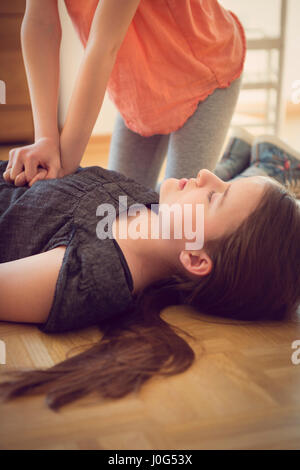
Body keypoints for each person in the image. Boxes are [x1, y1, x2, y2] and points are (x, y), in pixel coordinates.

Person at [0, 133, 300, 411]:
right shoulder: (149, 202)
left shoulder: (89, 274)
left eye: (215, 197)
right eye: (224, 181)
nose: (207, 174)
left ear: (195, 259)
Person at [2, 0, 245, 193]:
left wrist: (64, 167)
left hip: (202, 73)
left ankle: (265, 168)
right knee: (121, 208)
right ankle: (232, 162)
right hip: (140, 90)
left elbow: (104, 43)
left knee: (179, 225)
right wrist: (45, 138)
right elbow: (40, 23)